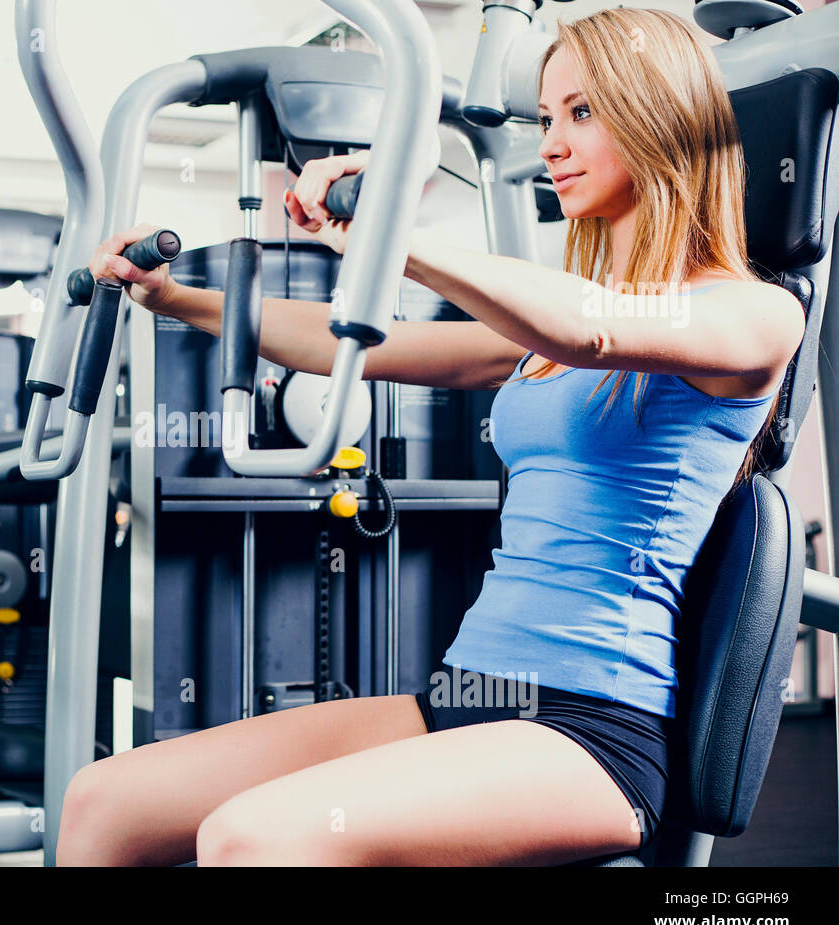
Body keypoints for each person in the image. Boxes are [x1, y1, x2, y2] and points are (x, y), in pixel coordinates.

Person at [56, 7, 806, 866]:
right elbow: (364, 342)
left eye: (584, 112)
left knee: (252, 838)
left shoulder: (754, 314)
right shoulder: (554, 329)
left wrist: (394, 238)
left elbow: (589, 328)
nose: (554, 142)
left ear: (659, 116)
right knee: (105, 798)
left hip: (593, 732)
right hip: (470, 692)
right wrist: (181, 302)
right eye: (549, 115)